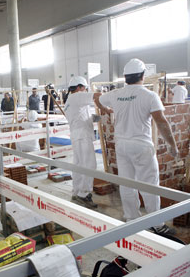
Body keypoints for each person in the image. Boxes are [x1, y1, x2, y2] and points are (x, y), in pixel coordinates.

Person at [96, 58, 178, 235]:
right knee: (149, 185)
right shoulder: (149, 95)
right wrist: (172, 145)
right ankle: (156, 224)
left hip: (122, 146)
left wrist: (105, 110)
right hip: (141, 146)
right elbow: (161, 122)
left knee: (127, 183)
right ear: (142, 75)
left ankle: (132, 219)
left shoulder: (116, 94)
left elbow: (97, 97)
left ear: (125, 77)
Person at [64, 76, 101, 209]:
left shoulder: (70, 100)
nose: (85, 90)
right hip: (83, 136)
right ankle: (84, 194)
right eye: (85, 88)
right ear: (79, 87)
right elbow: (98, 96)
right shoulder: (77, 96)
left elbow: (85, 118)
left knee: (79, 165)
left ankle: (77, 191)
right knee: (90, 165)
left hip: (77, 135)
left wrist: (101, 117)